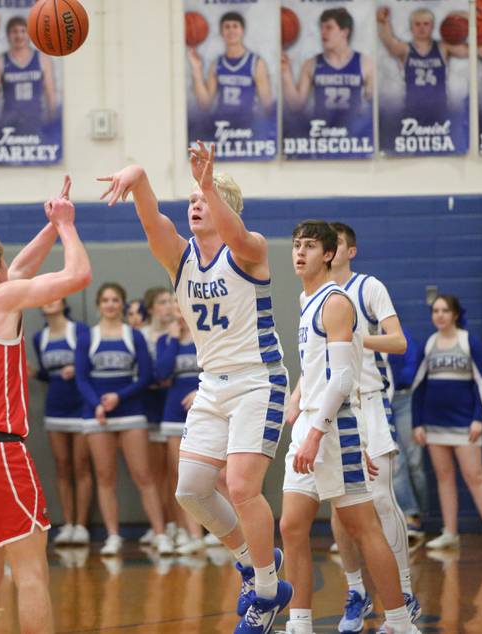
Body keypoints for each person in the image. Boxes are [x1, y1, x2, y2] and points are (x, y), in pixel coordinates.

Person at [99, 142, 292, 632]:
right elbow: (150, 220)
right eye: (191, 200)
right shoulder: (179, 259)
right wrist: (138, 174)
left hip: (258, 378)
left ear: (226, 206)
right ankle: (255, 561)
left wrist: (210, 185)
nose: (195, 205)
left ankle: (267, 594)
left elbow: (236, 231)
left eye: (204, 199)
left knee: (244, 487)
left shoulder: (251, 250)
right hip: (213, 384)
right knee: (190, 490)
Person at [0, 176, 91, 634]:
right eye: (2, 262)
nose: (9, 266)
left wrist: (48, 224)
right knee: (30, 573)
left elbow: (21, 267)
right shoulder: (1, 298)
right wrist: (66, 227)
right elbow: (77, 276)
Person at [280, 220, 417, 634]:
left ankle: (399, 621)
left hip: (330, 427)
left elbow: (342, 378)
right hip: (314, 426)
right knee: (290, 525)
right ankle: (300, 625)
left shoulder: (336, 302)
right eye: (295, 245)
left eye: (309, 246)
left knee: (364, 527)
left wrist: (322, 432)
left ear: (328, 254)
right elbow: (318, 373)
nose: (299, 252)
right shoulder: (306, 300)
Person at [326, 222, 420, 629]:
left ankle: (405, 594)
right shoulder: (314, 295)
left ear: (351, 251)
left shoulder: (369, 287)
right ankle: (357, 593)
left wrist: (356, 339)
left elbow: (398, 341)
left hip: (370, 402)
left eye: (336, 244)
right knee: (339, 505)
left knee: (380, 498)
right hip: (332, 404)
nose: (329, 250)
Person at [74, 282, 172, 556]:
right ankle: (113, 536)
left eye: (115, 300)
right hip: (97, 416)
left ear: (123, 304)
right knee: (105, 477)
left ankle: (161, 534)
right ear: (98, 305)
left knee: (144, 475)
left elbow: (145, 377)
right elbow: (81, 378)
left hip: (130, 412)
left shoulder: (134, 336)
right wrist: (97, 404)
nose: (110, 304)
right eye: (105, 300)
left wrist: (118, 397)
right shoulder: (87, 338)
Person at [412, 295, 482, 551]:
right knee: (444, 477)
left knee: (475, 476)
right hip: (434, 424)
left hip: (465, 424)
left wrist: (477, 419)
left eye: (444, 310)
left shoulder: (468, 342)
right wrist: (417, 423)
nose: (439, 315)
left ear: (455, 314)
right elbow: (418, 387)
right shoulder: (429, 344)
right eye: (435, 311)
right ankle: (450, 532)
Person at [31, 298, 92, 546]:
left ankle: (82, 525)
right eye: (45, 298)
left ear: (64, 302)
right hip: (55, 407)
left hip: (81, 405)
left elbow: (90, 364)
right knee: (62, 466)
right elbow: (48, 374)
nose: (49, 301)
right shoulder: (39, 338)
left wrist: (77, 369)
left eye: (55, 297)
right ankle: (67, 523)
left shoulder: (79, 331)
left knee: (81, 466)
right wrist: (35, 373)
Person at [155, 301, 204, 555]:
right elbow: (161, 373)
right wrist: (174, 340)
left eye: (181, 303)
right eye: (175, 305)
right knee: (179, 476)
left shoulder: (205, 335)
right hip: (174, 416)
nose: (179, 309)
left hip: (206, 414)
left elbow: (218, 372)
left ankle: (216, 531)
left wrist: (200, 391)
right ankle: (190, 533)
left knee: (214, 476)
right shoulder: (165, 340)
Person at [282, 8, 373, 125]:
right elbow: (296, 106)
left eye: (329, 27)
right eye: (322, 27)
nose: (323, 32)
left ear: (344, 32)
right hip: (322, 135)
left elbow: (374, 105)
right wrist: (285, 74)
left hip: (353, 137)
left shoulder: (365, 63)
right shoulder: (311, 64)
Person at [377, 6, 469, 122]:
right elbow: (390, 44)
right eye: (417, 24)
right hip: (412, 112)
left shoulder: (443, 47)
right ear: (411, 27)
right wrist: (383, 22)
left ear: (432, 26)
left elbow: (469, 51)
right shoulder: (405, 49)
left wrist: (465, 17)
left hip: (439, 111)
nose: (422, 28)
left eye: (426, 24)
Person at [188, 11, 273, 130]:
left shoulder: (256, 63)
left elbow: (267, 105)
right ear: (222, 33)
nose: (231, 30)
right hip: (222, 128)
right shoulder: (216, 64)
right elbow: (204, 104)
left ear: (242, 31)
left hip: (248, 128)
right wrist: (197, 69)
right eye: (227, 27)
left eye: (235, 26)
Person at [0, 16, 58, 134]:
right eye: (14, 31)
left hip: (36, 124)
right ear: (8, 35)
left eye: (23, 31)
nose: (19, 35)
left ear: (29, 35)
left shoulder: (42, 59)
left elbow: (51, 95)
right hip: (9, 126)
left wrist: (52, 123)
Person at [139, 287, 176, 545]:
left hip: (173, 403)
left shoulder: (182, 333)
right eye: (163, 302)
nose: (169, 307)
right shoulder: (140, 336)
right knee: (155, 472)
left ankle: (176, 524)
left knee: (176, 471)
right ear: (151, 308)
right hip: (149, 405)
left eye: (172, 301)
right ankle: (161, 523)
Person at [387, 328, 427, 543]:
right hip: (382, 400)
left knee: (415, 462)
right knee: (397, 462)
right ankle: (410, 515)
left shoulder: (401, 335)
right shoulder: (361, 331)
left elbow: (412, 363)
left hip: (405, 398)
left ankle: (421, 516)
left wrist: (400, 380)